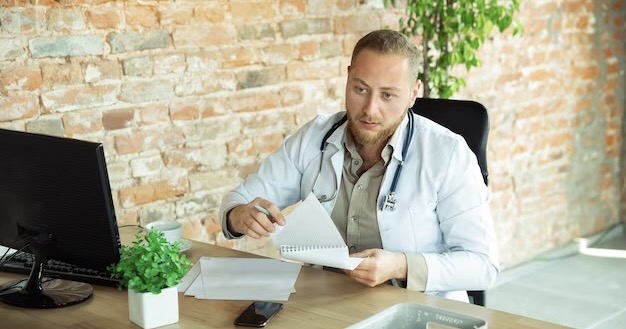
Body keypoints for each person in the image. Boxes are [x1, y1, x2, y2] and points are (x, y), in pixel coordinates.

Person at [219, 29, 499, 302]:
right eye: (360, 89)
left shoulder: (449, 154)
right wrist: (239, 215)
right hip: (324, 305)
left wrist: (402, 266)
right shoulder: (315, 137)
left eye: (388, 95)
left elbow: (483, 265)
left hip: (416, 309)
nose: (370, 108)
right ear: (348, 76)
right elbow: (239, 199)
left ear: (414, 93)